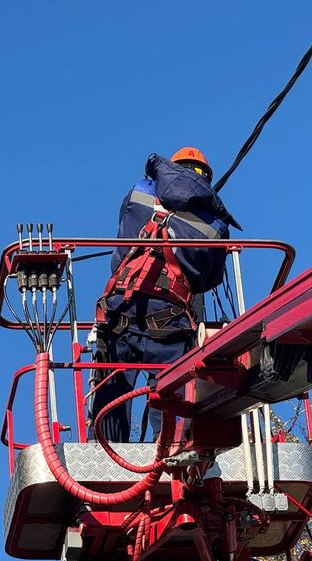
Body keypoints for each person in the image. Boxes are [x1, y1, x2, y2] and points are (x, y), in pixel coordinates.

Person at [88, 147, 240, 443]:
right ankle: (168, 444)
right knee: (172, 388)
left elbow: (121, 245)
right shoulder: (215, 224)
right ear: (205, 179)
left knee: (111, 389)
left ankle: (106, 446)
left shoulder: (139, 192)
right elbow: (208, 279)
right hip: (169, 315)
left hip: (120, 307)